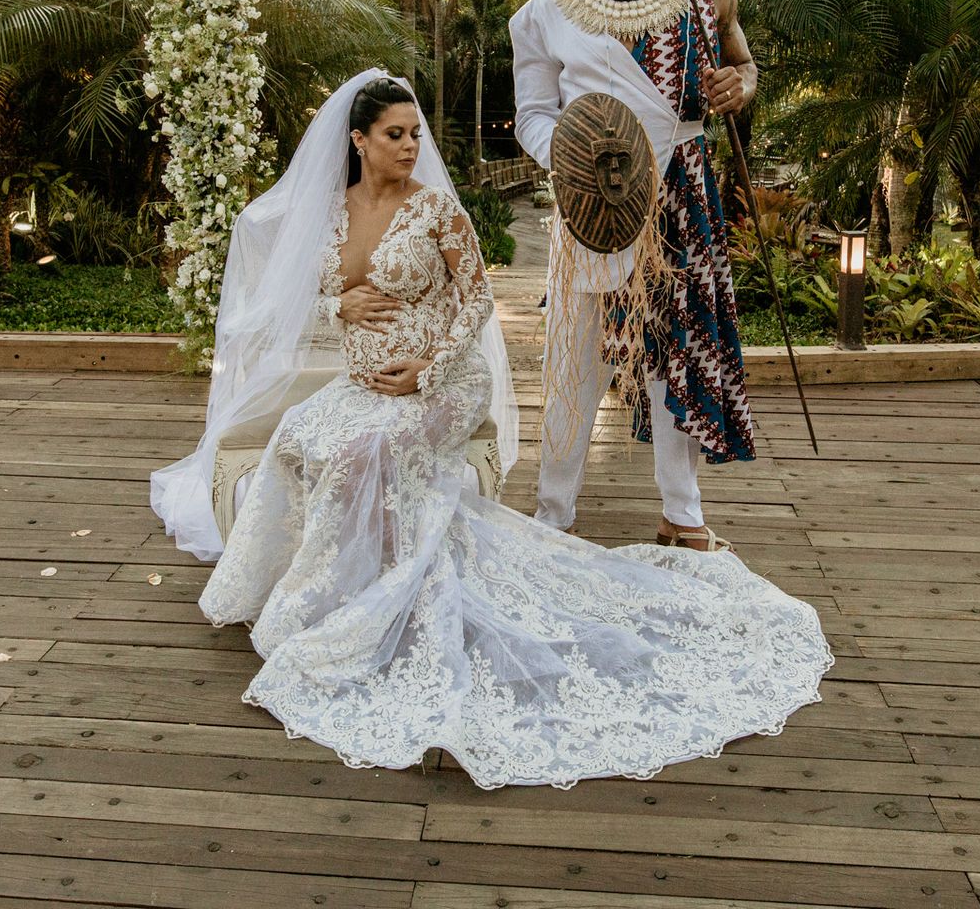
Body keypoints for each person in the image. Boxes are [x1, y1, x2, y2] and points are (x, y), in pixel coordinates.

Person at [154, 69, 831, 789]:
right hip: (364, 383)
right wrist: (338, 310)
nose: (411, 145)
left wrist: (426, 368)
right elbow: (312, 295)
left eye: (416, 133)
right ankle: (334, 587)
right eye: (395, 135)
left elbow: (475, 307)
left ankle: (375, 595)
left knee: (368, 448)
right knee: (297, 434)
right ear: (358, 140)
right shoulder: (331, 212)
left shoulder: (439, 210)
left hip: (441, 382)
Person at [511, 0, 759, 551]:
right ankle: (553, 511)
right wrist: (577, 163)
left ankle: (681, 513)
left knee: (672, 351)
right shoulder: (543, 14)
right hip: (595, 198)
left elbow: (745, 68)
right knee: (576, 353)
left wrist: (735, 87)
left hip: (681, 188)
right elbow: (532, 114)